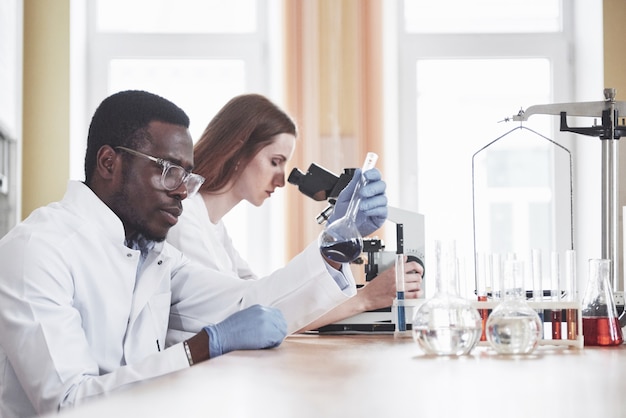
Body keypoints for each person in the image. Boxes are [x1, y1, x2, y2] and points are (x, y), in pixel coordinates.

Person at [0, 90, 385, 417]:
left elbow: (247, 302)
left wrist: (336, 243)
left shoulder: (153, 254)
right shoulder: (37, 251)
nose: (184, 191)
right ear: (108, 163)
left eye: (188, 176)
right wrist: (200, 347)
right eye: (169, 170)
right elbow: (67, 405)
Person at [166, 93, 423, 333]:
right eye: (275, 161)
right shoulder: (182, 219)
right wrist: (364, 299)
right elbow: (247, 316)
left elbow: (273, 303)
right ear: (237, 150)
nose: (281, 180)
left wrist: (360, 294)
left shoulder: (215, 228)